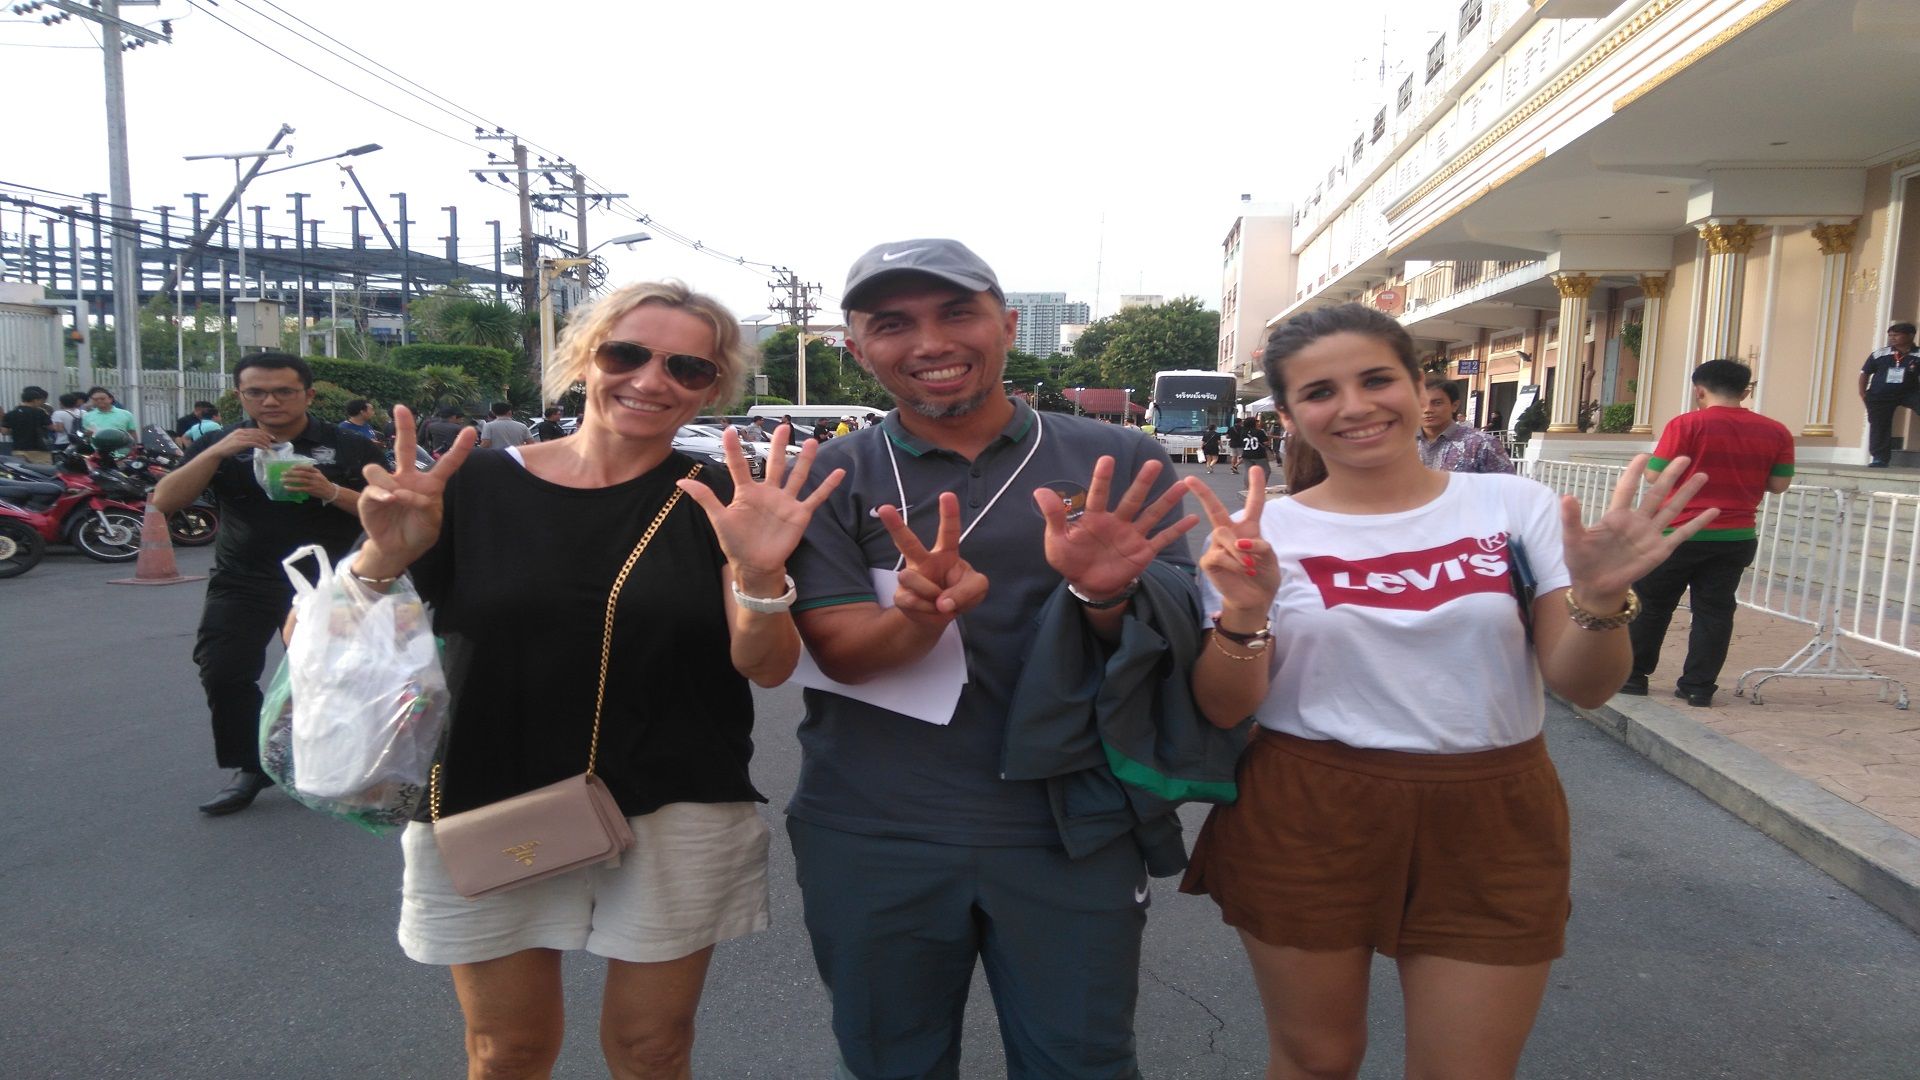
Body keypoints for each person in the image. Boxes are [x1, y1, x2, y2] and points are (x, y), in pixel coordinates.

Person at [1178, 302, 1716, 1080]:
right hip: (1306, 809)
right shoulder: (1263, 533)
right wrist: (1247, 611)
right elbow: (1226, 707)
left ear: (1416, 385)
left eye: (1376, 379)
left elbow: (1583, 688)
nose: (1356, 406)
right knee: (1314, 1060)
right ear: (1290, 415)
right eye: (1321, 392)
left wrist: (1598, 603)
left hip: (1493, 809)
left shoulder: (1512, 507)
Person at [348, 281, 843, 1078]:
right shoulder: (469, 487)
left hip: (676, 800)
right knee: (506, 1051)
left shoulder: (722, 498)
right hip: (490, 790)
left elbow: (769, 664)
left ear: (711, 389)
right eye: (627, 354)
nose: (651, 381)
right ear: (586, 357)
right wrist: (380, 558)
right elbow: (319, 641)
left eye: (687, 368)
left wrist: (758, 572)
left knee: (653, 1051)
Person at [786, 239, 1200, 1079]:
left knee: (1081, 1063)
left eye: (957, 313)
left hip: (1071, 826)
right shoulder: (831, 475)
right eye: (893, 324)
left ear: (1009, 326)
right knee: (890, 1061)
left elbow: (1174, 653)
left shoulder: (1116, 460)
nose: (931, 343)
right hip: (873, 828)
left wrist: (1105, 596)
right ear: (857, 348)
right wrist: (915, 614)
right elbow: (843, 654)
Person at [151, 353, 383, 815]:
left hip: (326, 582)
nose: (270, 401)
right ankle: (253, 765)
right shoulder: (222, 442)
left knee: (324, 678)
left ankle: (324, 762)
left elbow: (390, 508)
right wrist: (218, 451)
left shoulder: (347, 446)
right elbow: (165, 500)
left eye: (283, 391)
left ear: (308, 395)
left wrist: (330, 490)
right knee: (223, 670)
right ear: (240, 395)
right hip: (243, 578)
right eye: (256, 392)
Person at [1621, 358, 1794, 706]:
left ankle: (1634, 677)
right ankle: (1698, 687)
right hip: (1735, 536)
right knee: (1714, 611)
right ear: (1745, 391)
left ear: (1699, 390)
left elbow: (1655, 475)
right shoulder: (1776, 431)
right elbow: (1779, 484)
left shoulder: (1686, 425)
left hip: (1677, 533)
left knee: (1652, 605)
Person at [1418, 376, 1515, 473]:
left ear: (1454, 406)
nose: (1428, 410)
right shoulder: (1405, 443)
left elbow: (1507, 485)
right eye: (1422, 404)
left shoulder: (1483, 444)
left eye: (1437, 403)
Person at [1859, 321, 1918, 468]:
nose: (1892, 338)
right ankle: (1879, 458)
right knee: (1879, 424)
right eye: (1890, 335)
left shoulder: (1917, 354)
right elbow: (1865, 373)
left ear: (1910, 336)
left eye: (1896, 335)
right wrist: (1863, 392)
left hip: (1909, 392)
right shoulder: (1880, 354)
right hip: (1881, 394)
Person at [3, 385, 54, 464]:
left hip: (18, 449)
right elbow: (51, 427)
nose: (40, 403)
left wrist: (17, 429)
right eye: (40, 401)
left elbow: (4, 432)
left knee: (23, 472)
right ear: (35, 400)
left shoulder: (11, 413)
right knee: (43, 474)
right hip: (38, 449)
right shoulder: (40, 412)